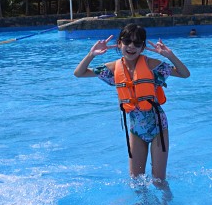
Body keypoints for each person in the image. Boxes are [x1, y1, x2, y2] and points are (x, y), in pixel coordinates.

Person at [73, 23, 190, 186]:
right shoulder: (113, 69)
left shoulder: (152, 65)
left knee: (159, 180)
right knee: (136, 181)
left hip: (158, 128)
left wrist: (170, 55)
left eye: (137, 43)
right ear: (119, 43)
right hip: (136, 130)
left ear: (142, 47)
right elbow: (79, 73)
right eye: (127, 41)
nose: (131, 46)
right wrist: (91, 54)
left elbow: (185, 74)